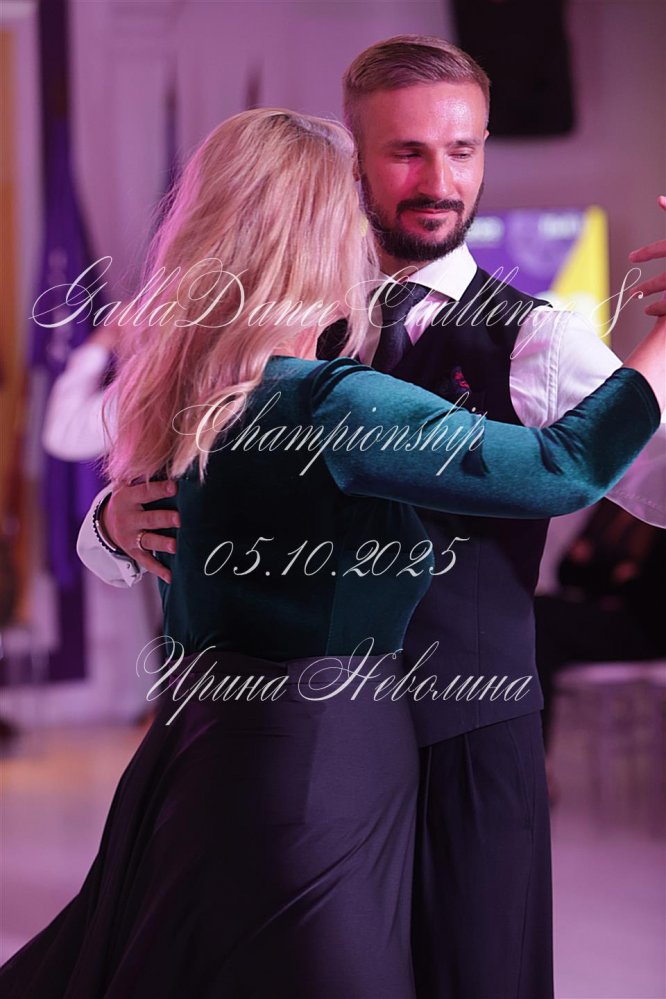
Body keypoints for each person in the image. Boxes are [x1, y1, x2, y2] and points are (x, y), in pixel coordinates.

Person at [78, 38, 666, 999]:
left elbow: (642, 482)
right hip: (303, 749)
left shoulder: (540, 337)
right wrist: (109, 523)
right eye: (406, 152)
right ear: (351, 161)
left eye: (463, 150)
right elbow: (172, 498)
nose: (440, 181)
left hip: (467, 733)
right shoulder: (266, 328)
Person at [536, 499, 666, 750]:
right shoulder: (612, 505)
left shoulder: (658, 516)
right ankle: (531, 744)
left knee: (541, 621)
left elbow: (652, 598)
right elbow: (568, 572)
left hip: (646, 630)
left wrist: (604, 571)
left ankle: (536, 747)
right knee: (537, 615)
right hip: (612, 614)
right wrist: (619, 575)